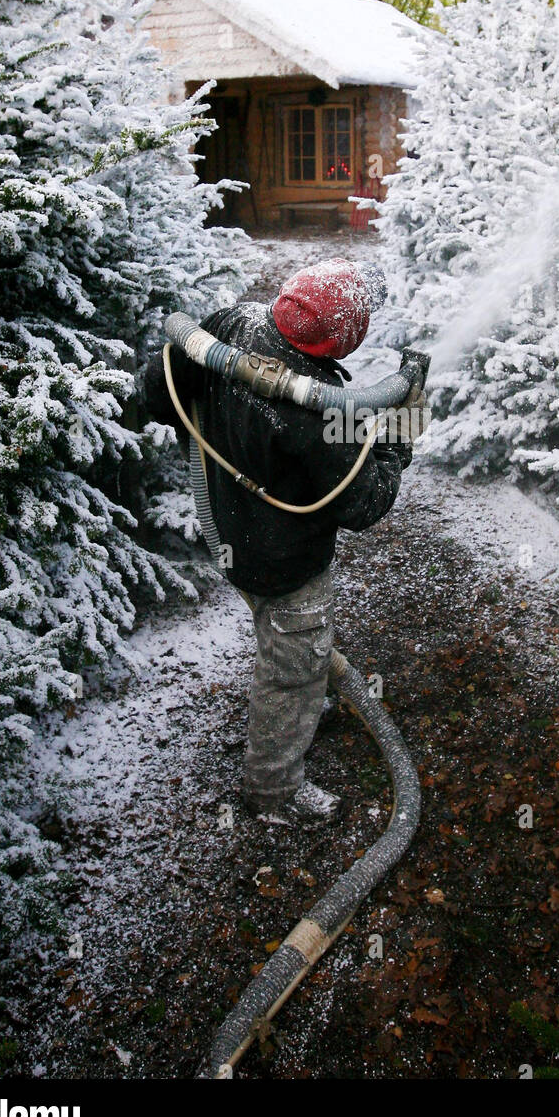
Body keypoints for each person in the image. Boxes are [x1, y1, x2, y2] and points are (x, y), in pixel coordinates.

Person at [139, 256, 420, 828]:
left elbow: (157, 394)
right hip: (286, 567)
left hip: (228, 533)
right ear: (345, 339)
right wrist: (396, 438)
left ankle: (309, 694)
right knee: (291, 665)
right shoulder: (317, 414)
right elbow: (363, 505)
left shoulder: (229, 326)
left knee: (279, 634)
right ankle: (272, 790)